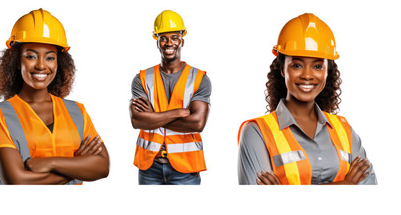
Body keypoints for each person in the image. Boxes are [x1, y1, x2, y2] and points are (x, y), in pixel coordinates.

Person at [237, 13, 377, 185]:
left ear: (327, 71)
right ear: (282, 69)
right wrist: (346, 185)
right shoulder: (257, 132)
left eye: (318, 66)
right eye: (297, 65)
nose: (308, 75)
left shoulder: (345, 130)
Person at [0, 9, 109, 185]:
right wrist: (78, 167)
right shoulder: (0, 114)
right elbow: (16, 180)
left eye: (50, 58)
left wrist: (50, 163)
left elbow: (102, 167)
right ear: (17, 61)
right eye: (31, 56)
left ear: (59, 63)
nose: (41, 65)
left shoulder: (77, 112)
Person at [130, 10, 211, 185]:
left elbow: (197, 123)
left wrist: (153, 116)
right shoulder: (142, 78)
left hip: (185, 170)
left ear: (182, 39)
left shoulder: (199, 78)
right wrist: (179, 112)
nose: (169, 43)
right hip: (150, 167)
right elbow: (137, 121)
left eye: (174, 37)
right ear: (157, 41)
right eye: (163, 38)